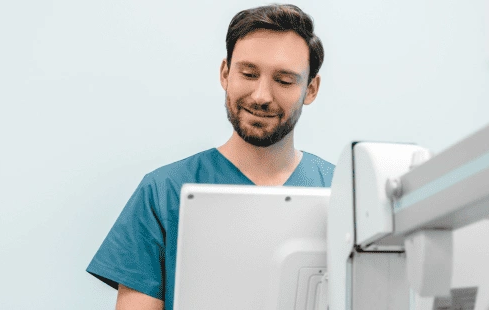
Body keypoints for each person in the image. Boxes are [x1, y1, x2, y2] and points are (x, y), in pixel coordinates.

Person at [85, 4, 334, 309]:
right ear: (225, 74)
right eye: (249, 73)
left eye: (284, 80)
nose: (261, 96)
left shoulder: (344, 194)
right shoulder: (163, 193)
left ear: (310, 89)